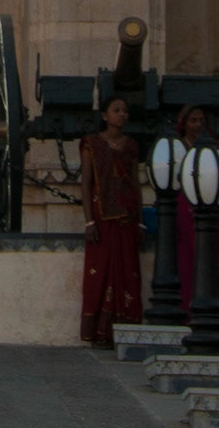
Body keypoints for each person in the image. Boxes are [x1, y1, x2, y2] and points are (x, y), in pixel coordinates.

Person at [80, 95, 143, 345]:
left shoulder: (131, 146)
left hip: (126, 218)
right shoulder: (92, 144)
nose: (122, 115)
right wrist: (89, 222)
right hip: (102, 216)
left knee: (127, 270)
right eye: (117, 110)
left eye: (125, 111)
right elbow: (86, 183)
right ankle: (100, 331)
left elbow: (136, 183)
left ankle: (126, 328)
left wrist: (139, 220)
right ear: (105, 115)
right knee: (101, 270)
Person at [176, 104, 211, 311]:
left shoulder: (209, 147)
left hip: (206, 205)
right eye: (193, 120)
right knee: (186, 253)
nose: (198, 125)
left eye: (200, 120)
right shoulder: (177, 147)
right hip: (183, 205)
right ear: (184, 123)